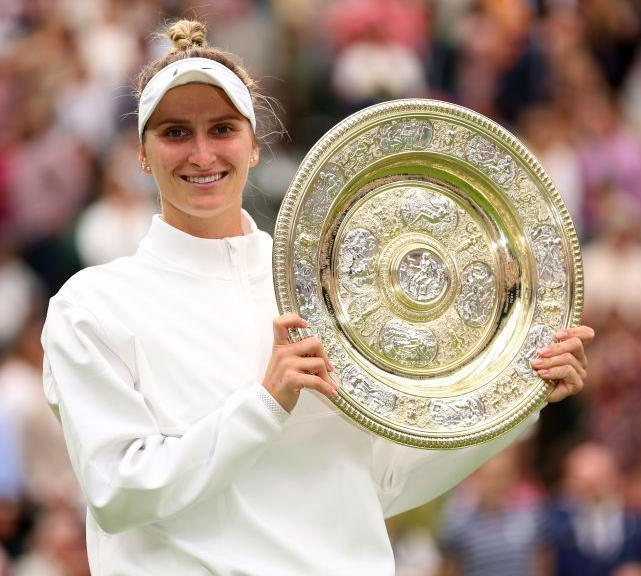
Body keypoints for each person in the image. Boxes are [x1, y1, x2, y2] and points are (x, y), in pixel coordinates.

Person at [40, 19, 595, 575]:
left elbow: (383, 480)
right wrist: (266, 402)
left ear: (254, 146)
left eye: (223, 129)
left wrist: (520, 396)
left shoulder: (329, 285)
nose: (202, 154)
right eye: (176, 133)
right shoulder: (93, 305)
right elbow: (118, 492)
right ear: (142, 153)